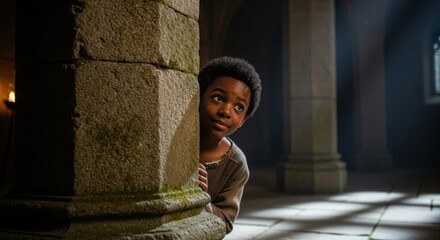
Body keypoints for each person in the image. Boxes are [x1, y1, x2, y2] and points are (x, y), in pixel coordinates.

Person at [197, 56, 262, 234]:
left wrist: (200, 199)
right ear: (199, 96)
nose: (226, 111)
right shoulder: (173, 139)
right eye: (218, 98)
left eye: (239, 107)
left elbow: (225, 223)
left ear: (243, 120)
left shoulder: (237, 165)